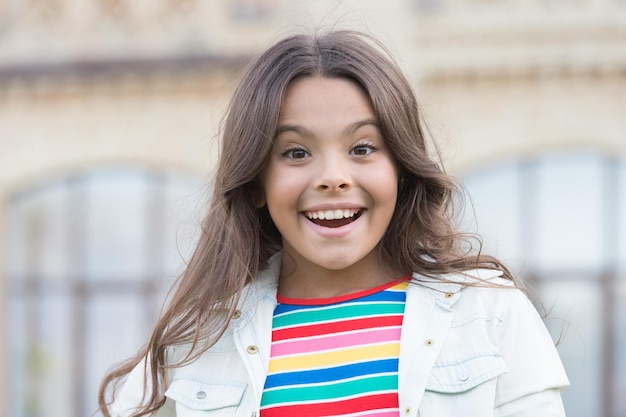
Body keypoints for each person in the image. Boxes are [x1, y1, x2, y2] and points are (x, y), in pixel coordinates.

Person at [98, 30, 569, 417]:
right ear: (257, 182)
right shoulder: (197, 345)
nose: (332, 179)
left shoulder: (490, 314)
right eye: (296, 153)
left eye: (363, 148)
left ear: (400, 170)